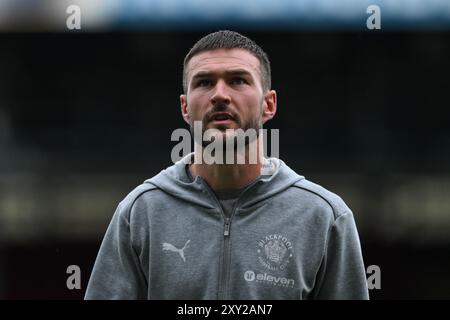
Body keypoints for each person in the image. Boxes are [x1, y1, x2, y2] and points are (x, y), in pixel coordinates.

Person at [85, 30, 369, 300]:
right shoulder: (139, 214)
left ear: (268, 105)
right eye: (204, 82)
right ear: (185, 107)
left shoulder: (324, 217)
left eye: (238, 80)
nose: (220, 94)